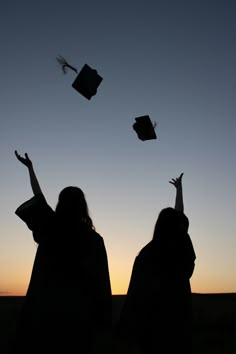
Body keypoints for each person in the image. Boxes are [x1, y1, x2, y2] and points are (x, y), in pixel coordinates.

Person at [10, 150, 112, 354]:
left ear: (60, 205)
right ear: (83, 207)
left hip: (47, 314)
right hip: (79, 316)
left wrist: (30, 169)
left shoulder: (50, 227)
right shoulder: (93, 240)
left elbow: (38, 198)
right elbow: (101, 280)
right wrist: (103, 319)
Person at [118, 173, 196, 354]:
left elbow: (135, 296)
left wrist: (128, 334)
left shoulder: (146, 255)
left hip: (152, 328)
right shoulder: (180, 251)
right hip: (178, 325)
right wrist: (179, 190)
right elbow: (180, 219)